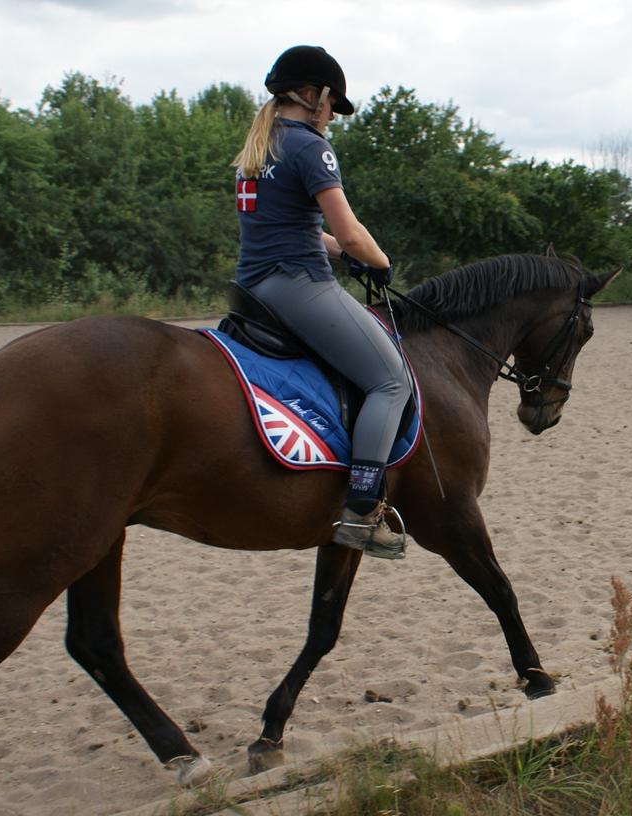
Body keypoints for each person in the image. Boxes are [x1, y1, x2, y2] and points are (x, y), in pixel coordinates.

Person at [231, 45, 410, 560]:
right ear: (312, 97)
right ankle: (361, 513)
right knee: (390, 379)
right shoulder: (311, 148)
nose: (332, 117)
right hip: (298, 285)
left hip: (254, 287)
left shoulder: (257, 149)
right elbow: (349, 233)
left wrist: (339, 250)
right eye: (332, 106)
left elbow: (295, 228)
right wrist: (376, 261)